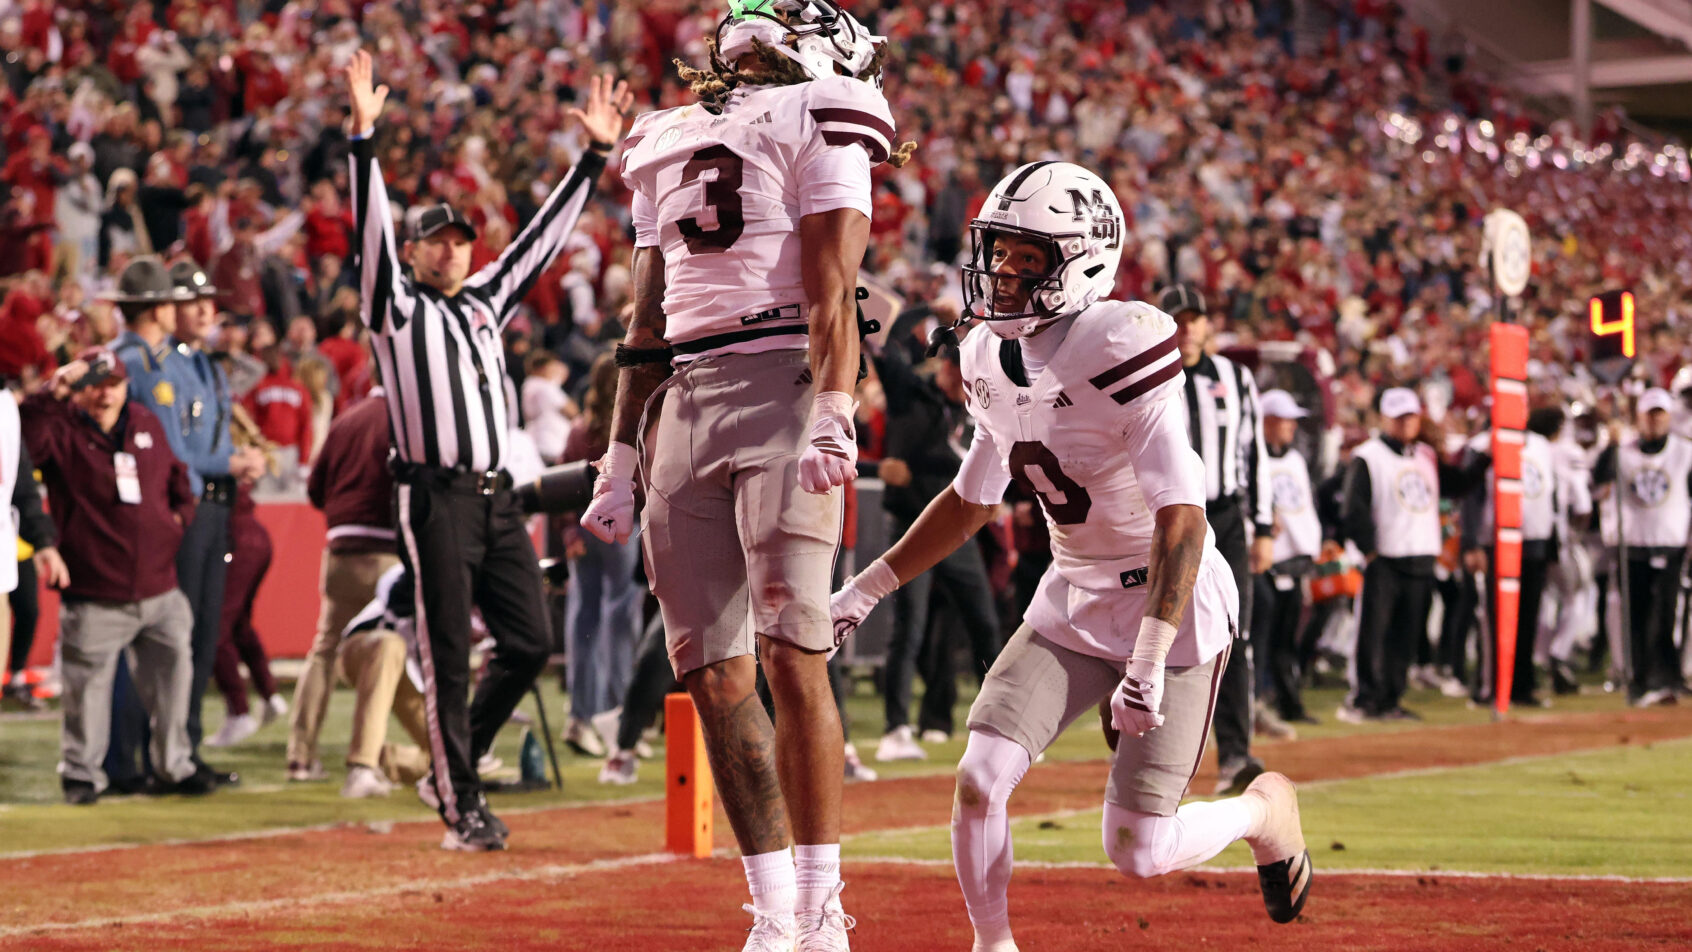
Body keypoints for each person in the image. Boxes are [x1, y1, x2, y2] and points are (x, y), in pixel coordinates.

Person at [833, 162, 1310, 952]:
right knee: (980, 778)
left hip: (1171, 605)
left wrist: (1149, 658)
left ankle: (1265, 812)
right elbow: (971, 498)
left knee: (1138, 850)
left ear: (1083, 263)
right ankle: (994, 945)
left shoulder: (1123, 342)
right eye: (1000, 253)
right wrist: (866, 589)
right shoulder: (985, 355)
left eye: (1029, 259)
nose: (1004, 275)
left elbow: (1183, 518)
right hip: (1074, 597)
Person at [579, 4, 909, 946]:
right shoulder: (667, 137)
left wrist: (836, 408)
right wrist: (619, 456)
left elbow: (830, 286)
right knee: (713, 677)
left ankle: (822, 907)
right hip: (684, 395)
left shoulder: (814, 114)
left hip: (781, 389)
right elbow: (645, 320)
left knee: (794, 651)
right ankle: (772, 914)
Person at [346, 50, 633, 851]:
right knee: (445, 652)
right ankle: (460, 804)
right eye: (437, 241)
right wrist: (362, 141)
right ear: (412, 252)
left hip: (493, 495)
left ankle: (449, 766)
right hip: (431, 494)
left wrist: (594, 158)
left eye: (462, 240)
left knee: (530, 641)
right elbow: (370, 236)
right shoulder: (394, 308)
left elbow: (540, 245)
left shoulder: (481, 304)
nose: (454, 250)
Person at [20, 348, 213, 803]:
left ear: (126, 386)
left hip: (160, 588)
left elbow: (177, 478)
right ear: (78, 389)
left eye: (113, 384)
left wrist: (179, 520)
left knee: (173, 685)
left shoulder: (145, 421)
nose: (105, 394)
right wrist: (51, 392)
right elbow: (19, 445)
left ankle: (173, 766)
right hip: (95, 592)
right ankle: (82, 775)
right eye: (94, 385)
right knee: (86, 694)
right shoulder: (59, 426)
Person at [109, 256, 260, 788]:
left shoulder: (201, 364)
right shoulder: (152, 363)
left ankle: (183, 748)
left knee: (198, 636)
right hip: (182, 506)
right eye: (185, 300)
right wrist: (229, 463)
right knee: (172, 637)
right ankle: (157, 754)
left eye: (205, 300)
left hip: (210, 504)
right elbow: (173, 452)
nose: (197, 310)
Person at [1158, 282, 1277, 790]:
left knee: (1236, 635)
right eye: (1178, 319)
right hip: (1168, 516)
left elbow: (1255, 454)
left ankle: (1234, 755)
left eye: (1195, 319)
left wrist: (1264, 526)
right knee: (1160, 634)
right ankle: (1164, 764)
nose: (1187, 329)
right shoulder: (1152, 376)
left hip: (1225, 517)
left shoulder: (1236, 377)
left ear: (1208, 326)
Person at [867, 311, 1000, 762]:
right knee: (910, 628)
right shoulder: (910, 393)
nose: (957, 377)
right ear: (942, 367)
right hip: (910, 527)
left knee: (983, 621)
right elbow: (887, 344)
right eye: (952, 367)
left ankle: (1002, 726)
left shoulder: (979, 407)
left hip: (957, 530)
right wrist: (926, 311)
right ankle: (895, 729)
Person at [1337, 388, 1488, 722]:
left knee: (1406, 636)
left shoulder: (1426, 454)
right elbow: (1354, 508)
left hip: (1421, 556)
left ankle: (1391, 698)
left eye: (1411, 416)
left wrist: (1485, 460)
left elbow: (1457, 484)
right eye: (1400, 417)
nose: (1407, 423)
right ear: (1385, 418)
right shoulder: (1369, 455)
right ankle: (1365, 699)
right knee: (1374, 633)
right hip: (1386, 558)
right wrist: (1369, 550)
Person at [286, 388, 400, 782]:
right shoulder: (409, 416)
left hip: (340, 551)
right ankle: (366, 762)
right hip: (390, 552)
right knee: (390, 655)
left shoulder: (346, 419)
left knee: (324, 651)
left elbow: (315, 489)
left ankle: (300, 757)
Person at [560, 353, 639, 758]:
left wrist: (568, 529)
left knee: (583, 621)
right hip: (623, 529)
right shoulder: (629, 426)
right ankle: (620, 718)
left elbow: (565, 480)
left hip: (584, 530)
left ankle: (581, 715)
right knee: (619, 619)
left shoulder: (580, 429)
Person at [1592, 388, 1690, 707]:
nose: (1655, 420)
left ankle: (1669, 677)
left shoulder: (1684, 452)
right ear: (1640, 417)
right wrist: (1611, 444)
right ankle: (1639, 679)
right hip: (1633, 547)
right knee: (1636, 616)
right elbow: (1599, 479)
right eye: (1650, 414)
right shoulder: (1623, 450)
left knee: (1666, 615)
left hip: (1671, 544)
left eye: (1660, 413)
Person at [1460, 415, 1558, 708]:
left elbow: (1548, 494)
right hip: (1496, 542)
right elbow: (1470, 495)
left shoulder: (1540, 444)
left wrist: (1551, 542)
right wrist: (1471, 542)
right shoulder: (1481, 445)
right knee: (1494, 618)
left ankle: (1522, 685)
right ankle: (1489, 685)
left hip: (1534, 541)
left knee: (1529, 617)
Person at [1253, 390, 1320, 724]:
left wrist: (1311, 548)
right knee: (1260, 634)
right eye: (1285, 419)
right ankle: (1256, 701)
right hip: (1262, 560)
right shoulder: (1251, 458)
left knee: (1286, 637)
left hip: (1294, 560)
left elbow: (1304, 508)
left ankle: (1289, 703)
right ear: (1266, 421)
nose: (1292, 426)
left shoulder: (1295, 459)